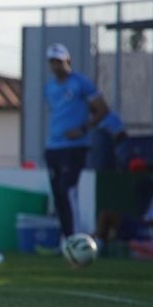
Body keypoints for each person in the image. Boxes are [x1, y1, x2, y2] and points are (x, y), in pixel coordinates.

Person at [42, 41, 110, 238]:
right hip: (53, 146)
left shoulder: (81, 83)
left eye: (59, 62)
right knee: (58, 194)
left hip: (74, 147)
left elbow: (102, 110)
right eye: (52, 62)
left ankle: (76, 236)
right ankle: (66, 237)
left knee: (68, 190)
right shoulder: (50, 87)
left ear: (68, 61)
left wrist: (82, 129)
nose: (56, 66)